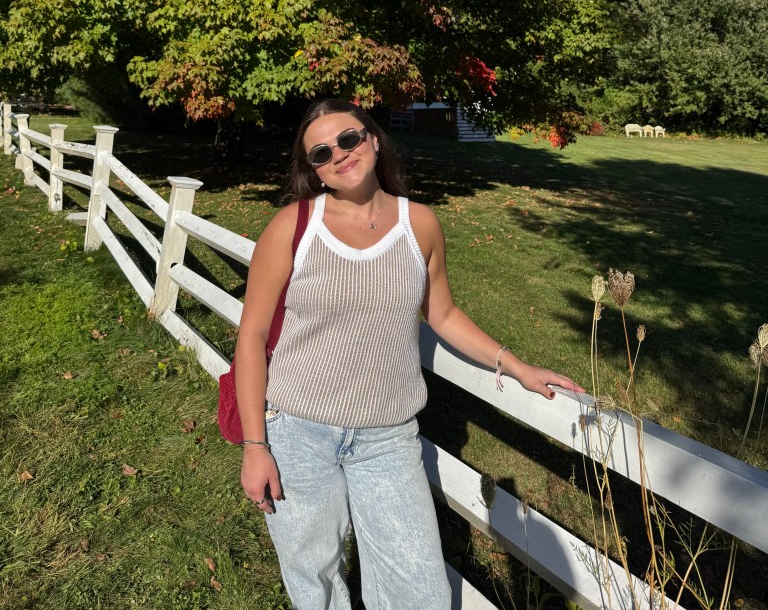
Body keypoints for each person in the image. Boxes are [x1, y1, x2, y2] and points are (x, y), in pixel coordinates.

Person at [234, 99, 582, 610]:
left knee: (418, 588)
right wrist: (255, 445)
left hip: (388, 438)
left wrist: (519, 367)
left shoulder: (418, 225)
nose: (340, 154)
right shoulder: (293, 227)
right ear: (313, 169)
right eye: (322, 152)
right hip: (296, 430)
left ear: (374, 140)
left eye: (350, 139)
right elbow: (251, 336)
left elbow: (442, 316)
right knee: (313, 576)